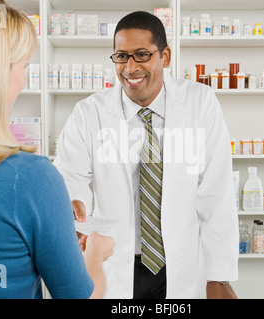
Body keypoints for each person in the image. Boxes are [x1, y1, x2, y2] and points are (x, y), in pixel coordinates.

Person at [0, 0, 114, 299]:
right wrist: (95, 253)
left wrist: (46, 215)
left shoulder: (30, 185)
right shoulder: (30, 178)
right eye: (23, 66)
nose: (23, 78)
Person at [54, 11, 239, 299]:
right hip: (116, 263)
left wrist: (220, 277)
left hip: (181, 265)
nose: (130, 67)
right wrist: (75, 202)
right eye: (121, 56)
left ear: (164, 57)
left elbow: (217, 193)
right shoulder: (88, 113)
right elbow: (69, 175)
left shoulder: (200, 103)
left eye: (141, 55)